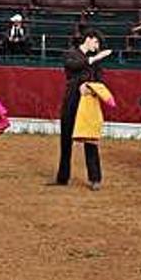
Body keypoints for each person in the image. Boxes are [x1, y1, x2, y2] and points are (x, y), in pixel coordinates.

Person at [54, 29, 113, 190]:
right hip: (72, 100)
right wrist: (93, 59)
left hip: (88, 101)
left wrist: (91, 87)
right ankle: (62, 177)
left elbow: (100, 79)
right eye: (97, 42)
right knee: (66, 140)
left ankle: (95, 178)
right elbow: (72, 66)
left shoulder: (95, 61)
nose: (97, 46)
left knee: (90, 139)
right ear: (89, 39)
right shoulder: (71, 53)